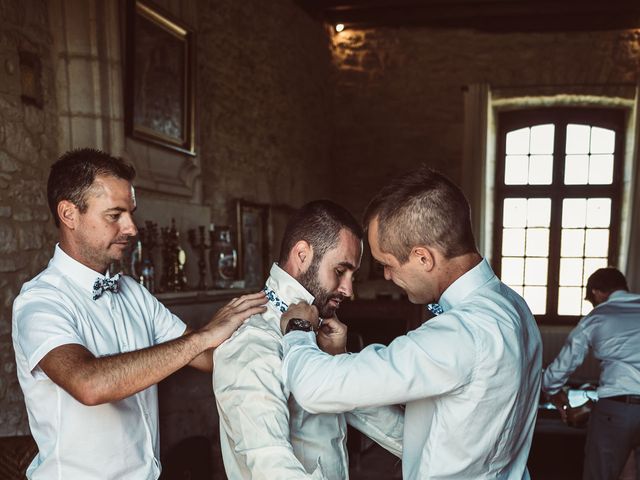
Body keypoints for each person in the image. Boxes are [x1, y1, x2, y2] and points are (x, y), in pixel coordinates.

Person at [11, 148, 266, 480]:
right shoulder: (40, 301)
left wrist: (285, 334)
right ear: (69, 214)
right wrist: (201, 336)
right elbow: (89, 384)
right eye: (114, 215)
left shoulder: (133, 291)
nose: (131, 228)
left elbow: (209, 358)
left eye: (131, 213)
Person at [280, 166, 543, 479]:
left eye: (387, 265)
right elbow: (422, 437)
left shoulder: (460, 334)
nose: (388, 278)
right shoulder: (514, 306)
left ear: (423, 258)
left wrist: (297, 329)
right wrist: (341, 361)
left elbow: (312, 388)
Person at [213, 200, 404, 479]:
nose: (349, 289)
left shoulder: (320, 333)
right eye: (340, 271)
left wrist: (340, 361)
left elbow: (386, 425)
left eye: (353, 275)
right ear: (302, 254)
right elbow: (272, 468)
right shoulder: (252, 342)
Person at [542, 267, 640, 480]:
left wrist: (551, 389)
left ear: (596, 292)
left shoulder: (597, 317)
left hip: (617, 409)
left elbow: (562, 366)